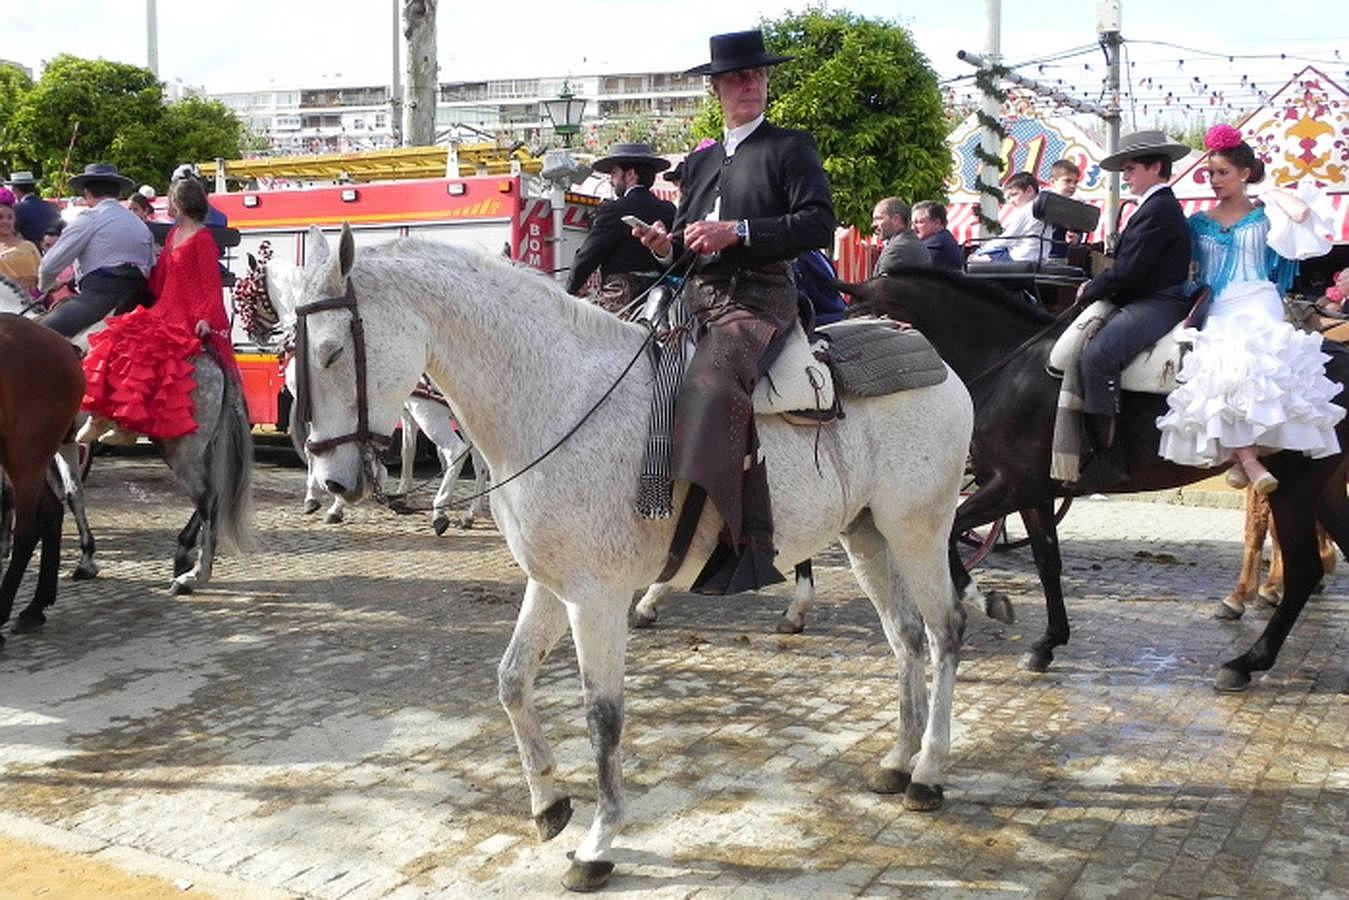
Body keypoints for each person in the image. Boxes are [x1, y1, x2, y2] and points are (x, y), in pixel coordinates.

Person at [638, 28, 836, 594]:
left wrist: (740, 232)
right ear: (717, 90)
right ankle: (648, 502)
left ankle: (735, 537)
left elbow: (819, 224)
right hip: (694, 299)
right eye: (735, 77)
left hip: (758, 297)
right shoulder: (699, 163)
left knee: (711, 383)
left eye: (756, 75)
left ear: (766, 82)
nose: (747, 83)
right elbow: (685, 239)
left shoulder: (790, 146)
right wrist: (664, 244)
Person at [1156, 125, 1342, 506]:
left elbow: (1303, 212)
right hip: (1217, 303)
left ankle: (1246, 461)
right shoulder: (1198, 221)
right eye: (1210, 173)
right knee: (1220, 370)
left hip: (1258, 298)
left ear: (1244, 173)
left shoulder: (1266, 215)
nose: (1214, 180)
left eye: (1223, 172)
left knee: (1259, 368)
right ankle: (1248, 460)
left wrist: (1269, 191)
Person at [78, 177, 238, 444]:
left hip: (186, 313)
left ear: (178, 203)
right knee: (115, 340)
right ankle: (100, 416)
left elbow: (210, 285)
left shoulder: (202, 238)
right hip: (164, 306)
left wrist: (205, 318)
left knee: (143, 353)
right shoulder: (175, 234)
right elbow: (160, 278)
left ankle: (129, 427)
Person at [1074, 130, 1193, 483]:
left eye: (1130, 169)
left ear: (1155, 167)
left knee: (1098, 357)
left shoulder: (1159, 209)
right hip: (1145, 296)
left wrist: (1091, 288)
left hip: (1159, 300)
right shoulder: (1152, 206)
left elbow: (1129, 272)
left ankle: (1108, 457)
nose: (1125, 177)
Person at [37, 163, 155, 337]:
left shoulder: (89, 219)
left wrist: (44, 287)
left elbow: (49, 266)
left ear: (87, 193)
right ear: (118, 193)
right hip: (141, 298)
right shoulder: (140, 224)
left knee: (36, 335)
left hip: (101, 298)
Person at [565, 142, 676, 312]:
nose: (611, 181)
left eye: (614, 174)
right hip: (663, 297)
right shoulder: (668, 209)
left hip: (622, 295)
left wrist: (568, 291)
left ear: (630, 174)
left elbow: (588, 255)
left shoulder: (615, 209)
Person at [970, 171, 1045, 262]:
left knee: (975, 258)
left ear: (1029, 190)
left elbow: (1007, 239)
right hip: (1040, 257)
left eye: (1014, 194)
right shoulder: (1044, 208)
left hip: (1021, 257)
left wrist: (984, 248)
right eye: (1009, 198)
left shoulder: (1027, 210)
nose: (1011, 201)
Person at [871, 197, 930, 276]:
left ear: (896, 219)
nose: (873, 225)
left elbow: (881, 287)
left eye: (879, 218)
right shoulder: (911, 241)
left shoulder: (896, 250)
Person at [5, 170, 63, 246]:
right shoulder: (53, 206)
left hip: (29, 252)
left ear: (15, 190)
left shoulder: (16, 209)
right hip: (53, 250)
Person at [0, 196, 42, 296]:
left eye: (10, 218)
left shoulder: (28, 247)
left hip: (30, 304)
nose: (6, 221)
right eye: (0, 217)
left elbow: (42, 276)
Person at [1045, 159, 1082, 260]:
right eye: (1067, 181)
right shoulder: (1043, 203)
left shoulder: (1076, 207)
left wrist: (1075, 238)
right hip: (1038, 255)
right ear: (1053, 182)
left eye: (1075, 182)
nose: (1072, 186)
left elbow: (1079, 233)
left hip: (1059, 256)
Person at [912, 201, 963, 271]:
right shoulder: (944, 237)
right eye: (913, 223)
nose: (913, 227)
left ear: (937, 223)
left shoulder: (935, 244)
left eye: (920, 222)